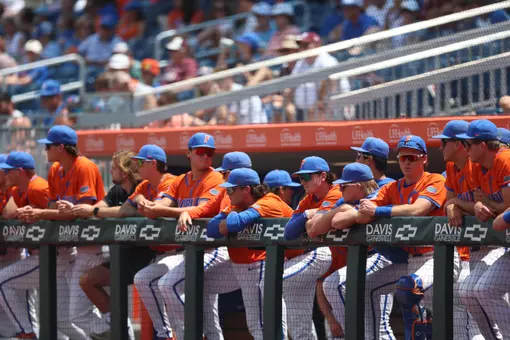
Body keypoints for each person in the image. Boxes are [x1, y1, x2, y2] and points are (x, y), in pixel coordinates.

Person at [0, 126, 102, 340]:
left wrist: (40, 213)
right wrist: (38, 213)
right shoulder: (55, 170)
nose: (45, 150)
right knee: (64, 320)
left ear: (61, 147)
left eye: (48, 146)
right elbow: (52, 210)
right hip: (65, 251)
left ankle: (26, 334)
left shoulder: (80, 168)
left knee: (94, 315)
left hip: (87, 248)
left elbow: (80, 211)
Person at [352, 135, 452, 340]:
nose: (406, 162)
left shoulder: (435, 180)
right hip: (410, 261)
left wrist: (378, 211)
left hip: (439, 257)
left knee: (456, 326)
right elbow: (362, 215)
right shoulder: (392, 187)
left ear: (424, 159)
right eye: (402, 157)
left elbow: (418, 210)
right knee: (363, 286)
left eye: (412, 157)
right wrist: (368, 210)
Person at [138, 133, 226, 340]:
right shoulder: (181, 180)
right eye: (200, 151)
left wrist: (161, 211)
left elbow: (203, 209)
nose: (206, 156)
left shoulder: (215, 178)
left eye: (210, 152)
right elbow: (163, 203)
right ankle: (171, 335)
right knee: (145, 279)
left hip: (214, 250)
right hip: (191, 252)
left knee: (169, 285)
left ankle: (196, 334)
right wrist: (149, 205)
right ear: (188, 153)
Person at [206, 168, 293, 340]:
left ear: (246, 189)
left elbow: (234, 224)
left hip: (295, 258)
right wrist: (230, 218)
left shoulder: (269, 201)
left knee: (271, 323)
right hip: (252, 265)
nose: (227, 193)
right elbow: (211, 229)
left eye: (231, 189)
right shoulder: (236, 204)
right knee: (257, 324)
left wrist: (230, 217)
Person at [71, 150, 149, 340]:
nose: (111, 171)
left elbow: (124, 211)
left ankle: (119, 324)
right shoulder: (116, 190)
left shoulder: (141, 187)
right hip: (121, 255)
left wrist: (94, 210)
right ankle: (115, 321)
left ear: (124, 172)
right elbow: (100, 206)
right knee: (87, 281)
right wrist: (87, 210)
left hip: (143, 258)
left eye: (114, 168)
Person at [310, 163, 379, 338]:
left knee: (380, 328)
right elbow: (318, 227)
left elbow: (337, 222)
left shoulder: (378, 196)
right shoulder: (344, 202)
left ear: (357, 187)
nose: (339, 189)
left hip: (382, 260)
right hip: (361, 267)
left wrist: (345, 214)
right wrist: (343, 209)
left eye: (343, 186)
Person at [455, 119, 510, 339]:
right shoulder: (478, 169)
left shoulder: (505, 159)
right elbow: (485, 204)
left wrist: (502, 213)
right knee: (479, 290)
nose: (465, 149)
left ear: (483, 145)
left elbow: (505, 206)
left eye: (468, 144)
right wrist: (479, 205)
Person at [262, 169, 331, 340]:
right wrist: (307, 215)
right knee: (300, 328)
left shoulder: (328, 195)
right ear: (280, 190)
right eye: (289, 188)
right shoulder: (299, 201)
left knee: (269, 285)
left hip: (312, 256)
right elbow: (290, 232)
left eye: (304, 178)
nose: (293, 190)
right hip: (300, 263)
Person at [431, 119, 481, 338]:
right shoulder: (451, 167)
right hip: (474, 250)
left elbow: (483, 209)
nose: (440, 147)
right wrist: (454, 204)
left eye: (444, 142)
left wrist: (457, 204)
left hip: (497, 246)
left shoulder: (476, 166)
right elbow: (449, 202)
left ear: (460, 144)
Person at [177, 151, 253, 228]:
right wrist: (188, 213)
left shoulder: (258, 194)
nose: (222, 177)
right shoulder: (224, 191)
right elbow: (205, 208)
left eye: (223, 173)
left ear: (230, 174)